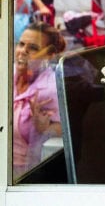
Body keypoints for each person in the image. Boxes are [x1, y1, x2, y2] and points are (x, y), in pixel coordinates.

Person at [13, 21, 67, 178]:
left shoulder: (51, 90)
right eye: (21, 44)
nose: (22, 51)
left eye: (33, 48)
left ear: (49, 55)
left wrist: (44, 129)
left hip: (23, 176)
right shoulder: (8, 75)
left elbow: (64, 133)